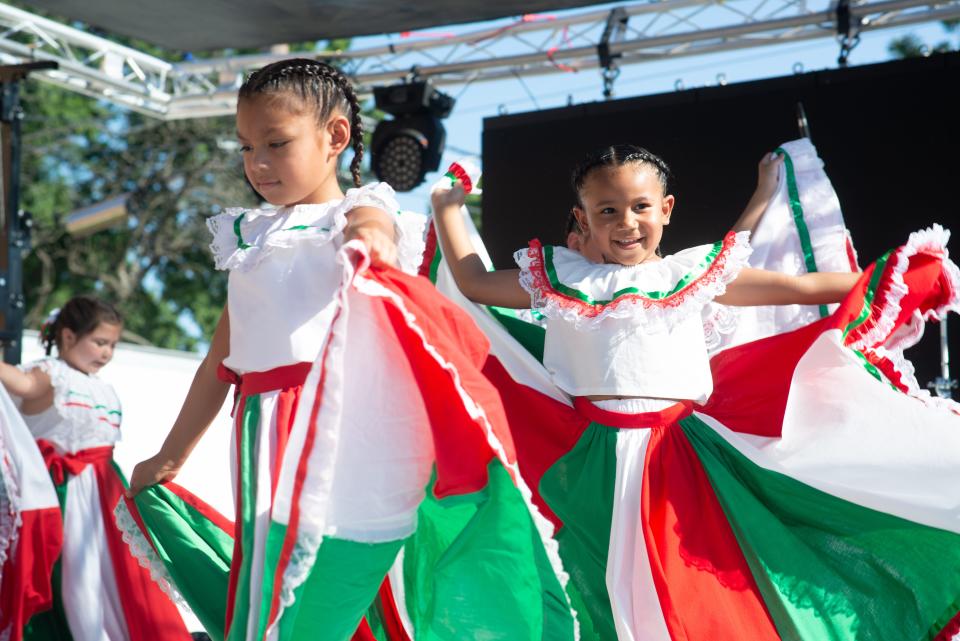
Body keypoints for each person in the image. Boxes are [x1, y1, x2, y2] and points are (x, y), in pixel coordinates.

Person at [430, 143, 960, 641]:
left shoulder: (691, 274)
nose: (625, 222)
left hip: (677, 457)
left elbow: (796, 287)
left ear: (666, 209)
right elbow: (475, 283)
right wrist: (450, 205)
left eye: (639, 206)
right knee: (595, 585)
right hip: (590, 461)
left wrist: (898, 277)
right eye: (606, 210)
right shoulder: (561, 278)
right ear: (582, 217)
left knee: (697, 584)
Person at [125, 58, 576, 641]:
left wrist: (369, 242)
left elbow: (372, 228)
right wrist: (171, 453)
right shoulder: (250, 236)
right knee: (278, 585)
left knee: (326, 588)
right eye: (244, 147)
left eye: (275, 143)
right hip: (263, 429)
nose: (256, 163)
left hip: (336, 423)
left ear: (335, 136)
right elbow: (222, 361)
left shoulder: (359, 209)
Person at [0, 295, 191, 641]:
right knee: (79, 582)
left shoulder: (102, 388)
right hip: (65, 495)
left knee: (121, 582)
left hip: (106, 496)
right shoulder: (51, 374)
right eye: (100, 342)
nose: (106, 353)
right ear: (69, 337)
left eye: (113, 345)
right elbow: (23, 384)